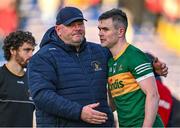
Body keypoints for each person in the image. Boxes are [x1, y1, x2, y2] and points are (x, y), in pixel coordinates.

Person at [28, 6, 168, 127]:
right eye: (71, 25)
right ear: (58, 30)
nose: (77, 28)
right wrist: (79, 112)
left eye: (80, 24)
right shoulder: (43, 57)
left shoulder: (99, 51)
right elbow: (42, 96)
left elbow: (125, 62)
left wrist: (151, 67)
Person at [98, 8, 164, 127]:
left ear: (120, 32)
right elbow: (114, 102)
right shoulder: (110, 62)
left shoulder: (134, 55)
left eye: (105, 29)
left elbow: (153, 95)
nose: (100, 33)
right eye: (100, 29)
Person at [0, 30, 36, 127]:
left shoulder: (32, 80)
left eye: (32, 50)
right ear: (13, 50)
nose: (31, 55)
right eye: (27, 50)